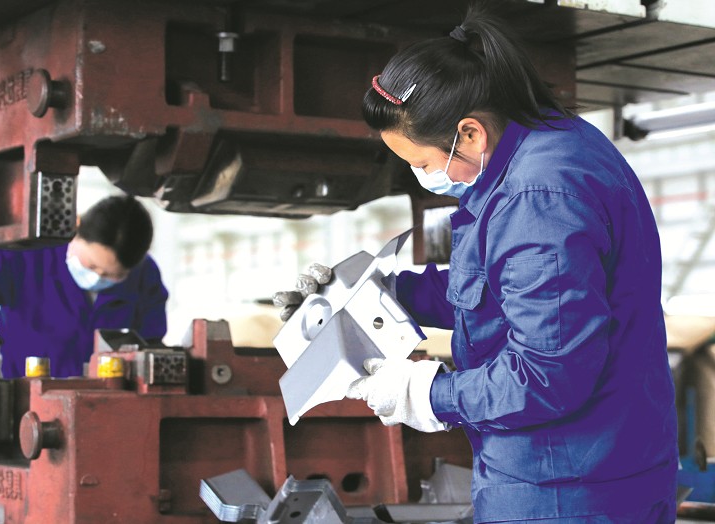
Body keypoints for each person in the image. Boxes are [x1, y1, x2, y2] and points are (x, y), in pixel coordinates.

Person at [277, 4, 677, 523]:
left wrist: (426, 394)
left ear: (470, 133)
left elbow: (547, 374)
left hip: (565, 487)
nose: (424, 175)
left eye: (421, 163)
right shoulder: (552, 144)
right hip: (591, 467)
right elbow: (506, 291)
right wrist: (377, 295)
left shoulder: (536, 199)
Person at [0, 194, 168, 379]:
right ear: (76, 227)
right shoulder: (30, 255)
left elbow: (150, 345)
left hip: (104, 411)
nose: (98, 276)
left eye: (112, 275)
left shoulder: (145, 276)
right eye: (91, 265)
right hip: (23, 403)